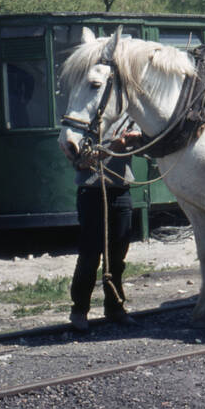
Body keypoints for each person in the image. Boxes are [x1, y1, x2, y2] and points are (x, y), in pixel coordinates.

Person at [69, 121, 141, 333]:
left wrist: (139, 139)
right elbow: (79, 162)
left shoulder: (129, 118)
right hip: (91, 192)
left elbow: (147, 151)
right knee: (90, 255)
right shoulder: (84, 121)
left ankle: (115, 307)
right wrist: (113, 148)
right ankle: (79, 310)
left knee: (118, 256)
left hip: (120, 192)